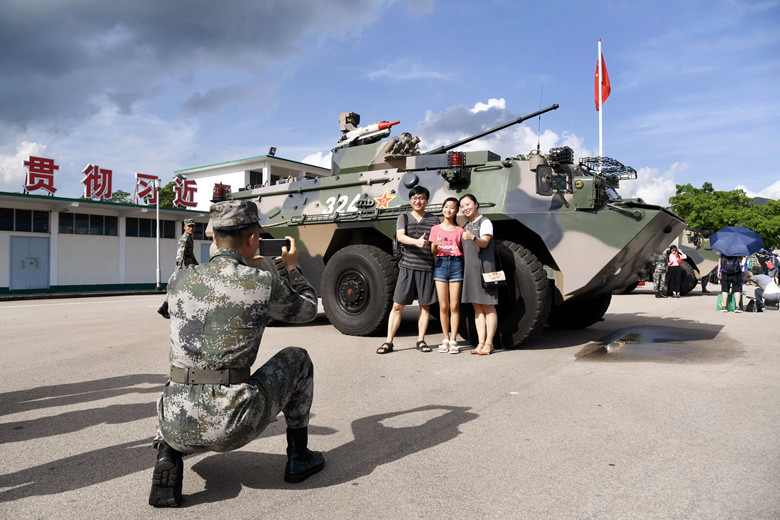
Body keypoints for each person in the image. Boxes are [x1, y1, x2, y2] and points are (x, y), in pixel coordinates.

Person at [149, 200, 323, 508]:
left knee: (182, 368)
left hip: (174, 424)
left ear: (214, 239)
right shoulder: (262, 282)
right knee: (298, 358)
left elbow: (169, 309)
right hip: (232, 424)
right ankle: (299, 457)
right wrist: (292, 268)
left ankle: (167, 454)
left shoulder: (179, 279)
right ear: (254, 238)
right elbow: (308, 309)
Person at [377, 185, 439, 354]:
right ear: (410, 200)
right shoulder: (403, 217)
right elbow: (400, 236)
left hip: (427, 268)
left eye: (421, 198)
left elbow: (436, 242)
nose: (418, 201)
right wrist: (416, 242)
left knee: (425, 307)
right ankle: (388, 342)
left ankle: (421, 340)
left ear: (427, 200)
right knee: (397, 306)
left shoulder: (434, 220)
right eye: (414, 198)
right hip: (407, 267)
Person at [459, 194, 499, 355]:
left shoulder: (485, 222)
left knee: (488, 305)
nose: (465, 208)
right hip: (471, 270)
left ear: (476, 204)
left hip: (485, 269)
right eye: (462, 206)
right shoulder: (466, 226)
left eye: (468, 204)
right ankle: (480, 342)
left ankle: (489, 343)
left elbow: (484, 242)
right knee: (476, 306)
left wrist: (472, 237)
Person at [430, 197, 464, 354]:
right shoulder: (435, 229)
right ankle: (445, 338)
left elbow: (463, 252)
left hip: (456, 265)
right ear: (442, 209)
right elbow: (433, 252)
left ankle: (453, 339)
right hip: (441, 265)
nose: (448, 210)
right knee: (443, 306)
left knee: (454, 305)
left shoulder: (460, 230)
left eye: (452, 207)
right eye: (446, 207)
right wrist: (435, 245)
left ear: (456, 211)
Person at [157, 218, 199, 319]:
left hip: (189, 266)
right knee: (177, 287)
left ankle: (166, 306)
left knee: (182, 287)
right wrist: (179, 269)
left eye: (193, 226)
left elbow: (191, 254)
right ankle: (165, 307)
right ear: (184, 227)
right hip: (184, 267)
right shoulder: (184, 238)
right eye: (189, 226)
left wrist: (197, 265)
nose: (191, 228)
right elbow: (180, 253)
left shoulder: (190, 237)